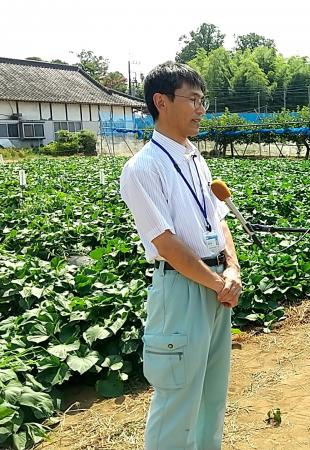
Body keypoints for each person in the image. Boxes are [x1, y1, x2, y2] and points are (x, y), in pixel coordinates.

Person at [119, 62, 243, 450]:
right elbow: (167, 245)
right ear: (161, 101)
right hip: (182, 289)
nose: (201, 109)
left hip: (217, 285)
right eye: (192, 100)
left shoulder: (196, 158)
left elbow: (218, 221)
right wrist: (217, 282)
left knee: (211, 394)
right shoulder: (143, 168)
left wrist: (233, 268)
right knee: (178, 399)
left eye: (203, 101)